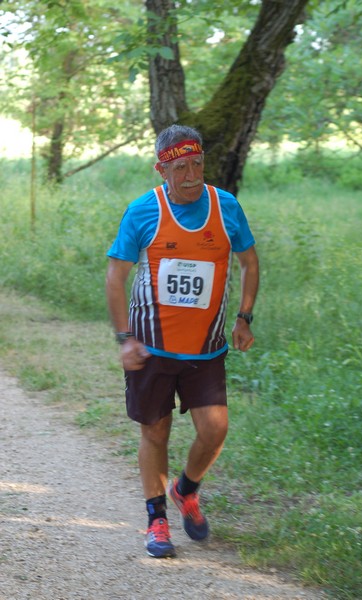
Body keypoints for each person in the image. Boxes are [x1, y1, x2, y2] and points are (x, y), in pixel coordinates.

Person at [105, 124, 259, 559]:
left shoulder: (225, 206)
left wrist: (244, 317)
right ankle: (156, 519)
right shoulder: (142, 211)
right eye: (180, 167)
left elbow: (249, 262)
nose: (191, 175)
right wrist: (124, 338)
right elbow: (116, 276)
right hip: (151, 347)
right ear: (161, 169)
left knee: (215, 429)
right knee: (155, 433)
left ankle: (185, 489)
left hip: (206, 348)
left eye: (197, 164)